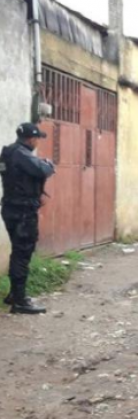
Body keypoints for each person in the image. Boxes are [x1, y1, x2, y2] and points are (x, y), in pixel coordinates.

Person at [1, 122, 55, 315]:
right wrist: (48, 164)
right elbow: (43, 170)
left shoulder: (8, 152)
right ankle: (20, 301)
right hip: (23, 212)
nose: (38, 142)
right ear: (32, 139)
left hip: (11, 208)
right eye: (37, 138)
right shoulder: (21, 154)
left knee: (18, 252)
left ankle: (15, 294)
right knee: (22, 253)